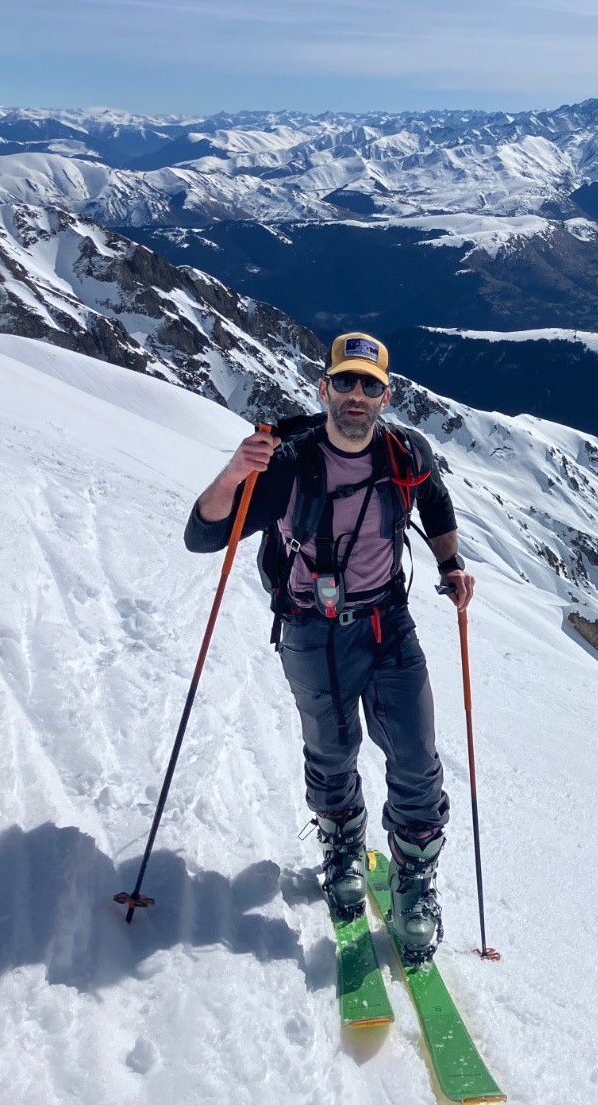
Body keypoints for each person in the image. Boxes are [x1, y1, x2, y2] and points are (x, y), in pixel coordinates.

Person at [183, 332, 475, 964]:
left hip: (388, 623)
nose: (356, 395)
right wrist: (235, 472)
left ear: (385, 397)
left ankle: (413, 882)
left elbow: (434, 499)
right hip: (311, 629)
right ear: (323, 389)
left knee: (417, 756)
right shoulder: (286, 464)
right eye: (345, 381)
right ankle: (343, 848)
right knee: (332, 750)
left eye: (370, 385)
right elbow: (203, 536)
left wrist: (450, 564)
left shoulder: (405, 453)